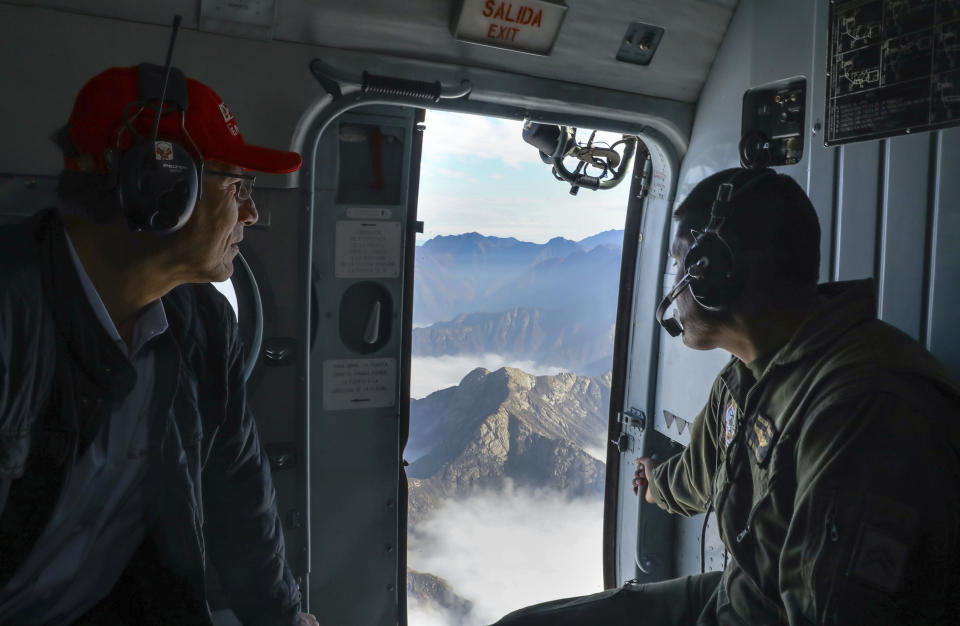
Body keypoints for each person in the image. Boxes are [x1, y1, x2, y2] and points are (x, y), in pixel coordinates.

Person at [490, 168, 960, 625]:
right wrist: (656, 483)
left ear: (713, 270)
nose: (673, 284)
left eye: (680, 263)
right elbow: (702, 472)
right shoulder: (745, 378)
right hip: (739, 592)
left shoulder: (863, 405)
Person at [0, 65, 319, 625]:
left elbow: (241, 500)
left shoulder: (206, 324)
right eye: (239, 185)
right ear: (160, 183)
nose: (253, 212)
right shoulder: (11, 312)